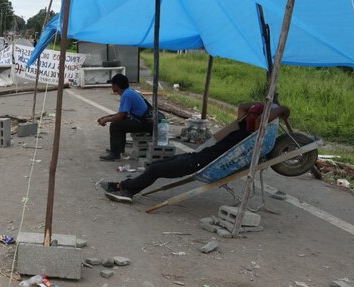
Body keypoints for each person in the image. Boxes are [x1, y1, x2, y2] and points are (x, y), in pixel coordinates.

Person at [101, 102, 291, 203]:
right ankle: (124, 188)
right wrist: (265, 103)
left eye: (253, 115)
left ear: (260, 119)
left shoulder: (254, 135)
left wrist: (279, 109)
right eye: (249, 114)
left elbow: (266, 118)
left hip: (203, 163)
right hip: (198, 156)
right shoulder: (244, 124)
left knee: (154, 171)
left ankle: (125, 191)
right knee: (155, 165)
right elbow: (243, 105)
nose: (248, 116)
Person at [97, 74, 153, 161]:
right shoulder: (129, 92)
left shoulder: (126, 95)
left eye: (112, 84)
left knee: (115, 125)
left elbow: (120, 116)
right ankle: (118, 149)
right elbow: (123, 114)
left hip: (144, 123)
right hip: (143, 120)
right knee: (120, 123)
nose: (111, 86)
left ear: (116, 85)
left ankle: (115, 154)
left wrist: (106, 120)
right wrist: (106, 117)